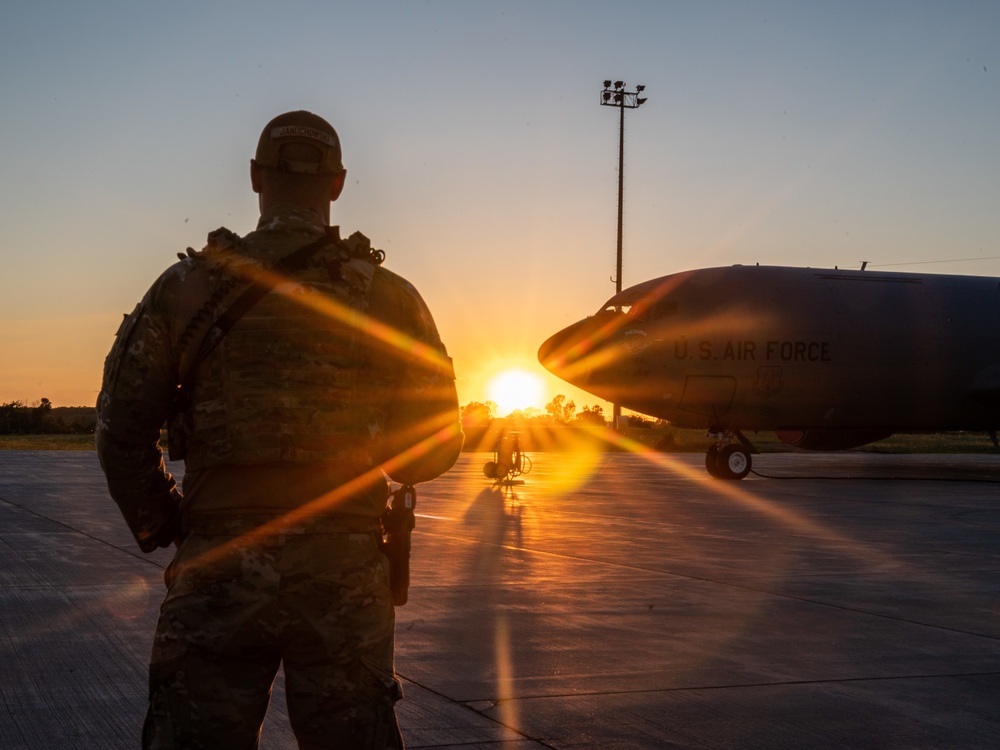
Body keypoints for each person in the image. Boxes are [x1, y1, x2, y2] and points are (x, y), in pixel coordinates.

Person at [96, 110, 463, 749]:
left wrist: (169, 523)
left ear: (256, 177)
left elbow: (122, 430)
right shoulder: (392, 298)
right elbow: (433, 452)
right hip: (344, 573)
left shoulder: (187, 287)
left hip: (218, 562)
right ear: (339, 183)